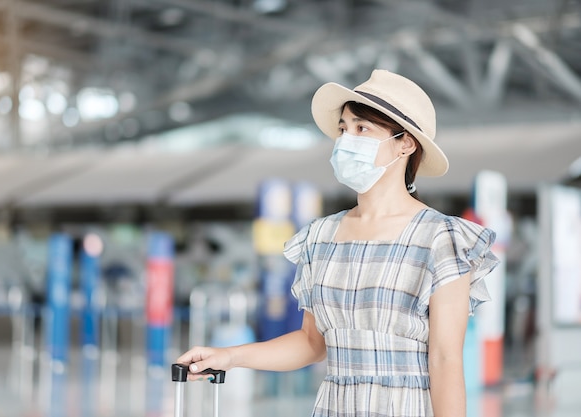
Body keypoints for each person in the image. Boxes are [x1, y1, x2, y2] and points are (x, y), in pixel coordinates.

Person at [176, 69, 500, 417]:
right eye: (343, 128)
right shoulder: (320, 237)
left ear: (406, 143)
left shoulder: (440, 238)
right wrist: (230, 356)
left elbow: (445, 358)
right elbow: (312, 343)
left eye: (362, 128)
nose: (347, 139)